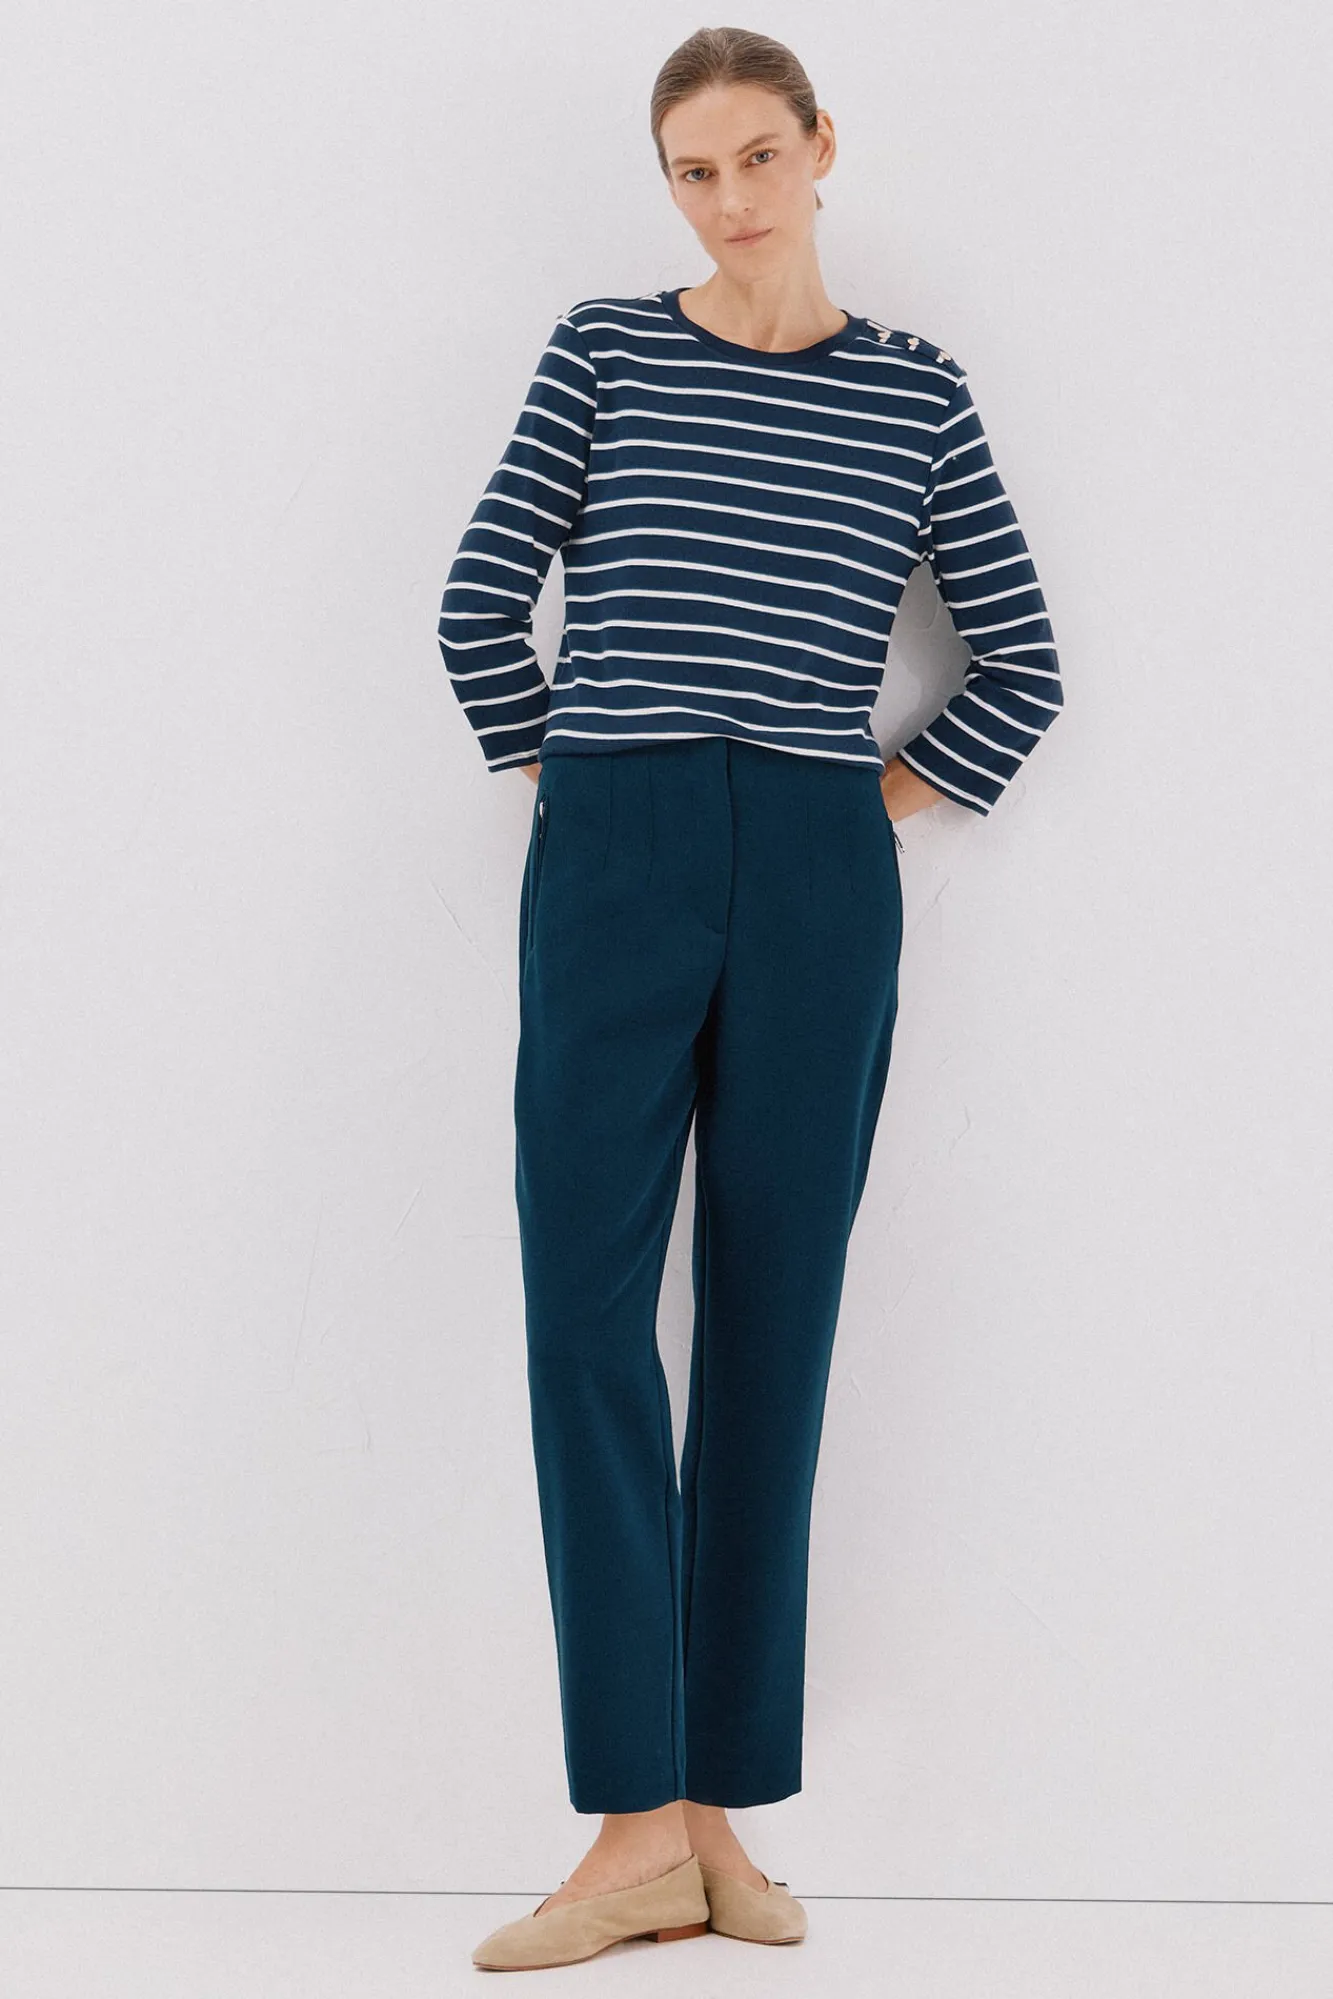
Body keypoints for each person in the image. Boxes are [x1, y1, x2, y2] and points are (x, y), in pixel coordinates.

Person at [436, 26, 1063, 1972]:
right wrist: (589, 784)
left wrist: (842, 815)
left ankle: (717, 1816)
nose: (730, 200)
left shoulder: (915, 391)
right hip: (614, 846)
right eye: (694, 172)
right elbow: (476, 603)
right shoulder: (605, 351)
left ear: (820, 147)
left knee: (775, 1327)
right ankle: (631, 1822)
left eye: (758, 158)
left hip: (813, 862)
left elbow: (1024, 668)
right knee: (585, 1317)